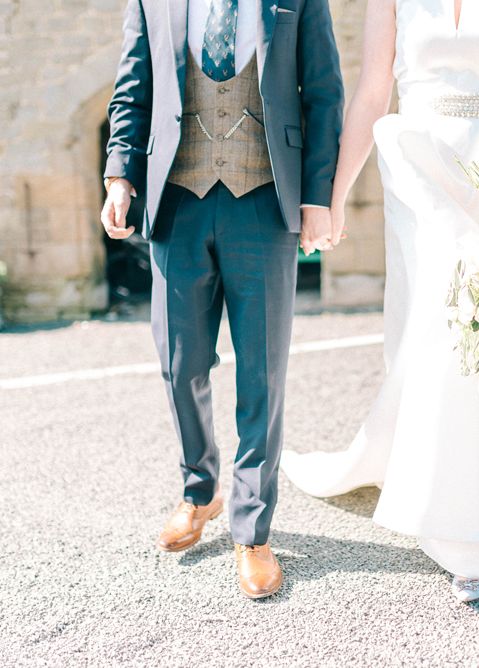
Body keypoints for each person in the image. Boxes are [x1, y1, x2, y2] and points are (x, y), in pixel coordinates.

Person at [281, 0, 479, 602]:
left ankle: (475, 523)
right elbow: (371, 92)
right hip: (417, 172)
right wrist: (334, 194)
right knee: (434, 330)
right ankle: (442, 495)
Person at [101, 0, 343, 599]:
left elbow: (323, 94)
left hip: (263, 198)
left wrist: (319, 196)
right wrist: (119, 176)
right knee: (179, 363)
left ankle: (253, 529)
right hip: (176, 199)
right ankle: (199, 489)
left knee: (262, 371)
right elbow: (133, 87)